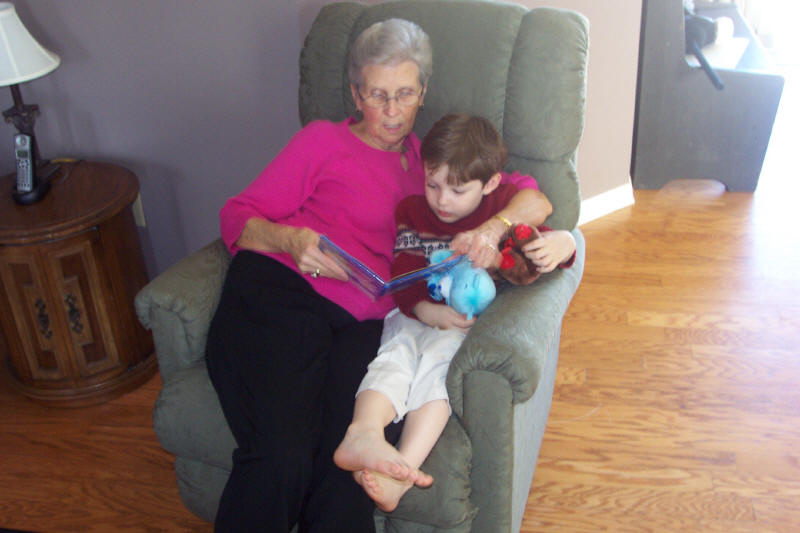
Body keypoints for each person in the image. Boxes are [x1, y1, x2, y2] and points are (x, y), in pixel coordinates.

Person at [204, 19, 553, 533]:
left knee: (347, 472)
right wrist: (290, 239)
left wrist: (493, 227)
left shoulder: (435, 166)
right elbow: (236, 215)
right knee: (283, 456)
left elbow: (534, 199)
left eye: (405, 94)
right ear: (355, 93)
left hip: (364, 325)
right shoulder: (321, 142)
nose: (392, 111)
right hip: (282, 296)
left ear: (423, 93)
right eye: (377, 95)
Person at [334, 114, 576, 512]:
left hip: (459, 328)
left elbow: (535, 249)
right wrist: (424, 309)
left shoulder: (502, 208)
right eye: (433, 184)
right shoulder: (412, 211)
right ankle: (363, 432)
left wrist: (565, 243)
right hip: (413, 314)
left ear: (491, 183)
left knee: (437, 376)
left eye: (457, 190)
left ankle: (402, 472)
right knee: (392, 360)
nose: (442, 200)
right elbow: (403, 269)